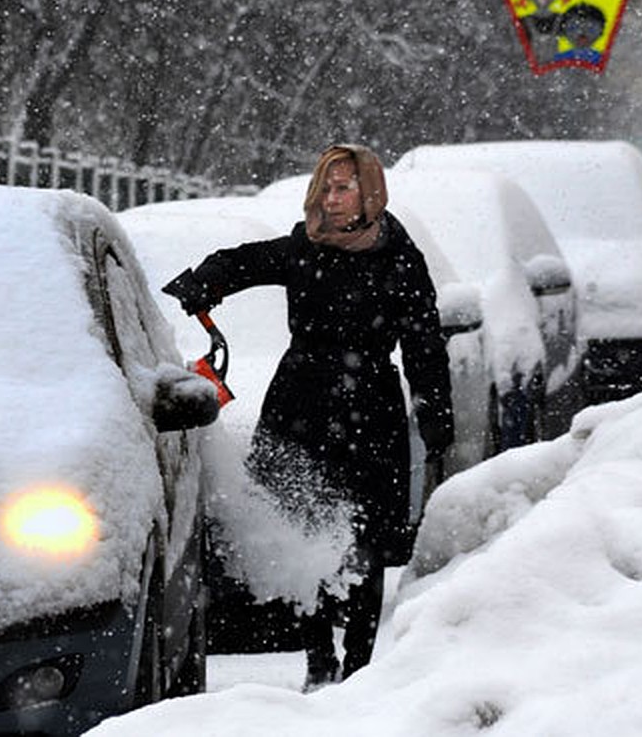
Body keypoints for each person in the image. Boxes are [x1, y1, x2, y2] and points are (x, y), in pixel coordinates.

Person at [162, 144, 454, 687]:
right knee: (303, 534)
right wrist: (206, 280)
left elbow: (424, 343)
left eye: (344, 187)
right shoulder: (305, 246)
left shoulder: (399, 257)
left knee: (364, 543)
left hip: (370, 407)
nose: (332, 197)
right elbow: (246, 260)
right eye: (326, 186)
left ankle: (360, 668)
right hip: (301, 402)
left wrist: (434, 410)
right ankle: (319, 661)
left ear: (369, 194)